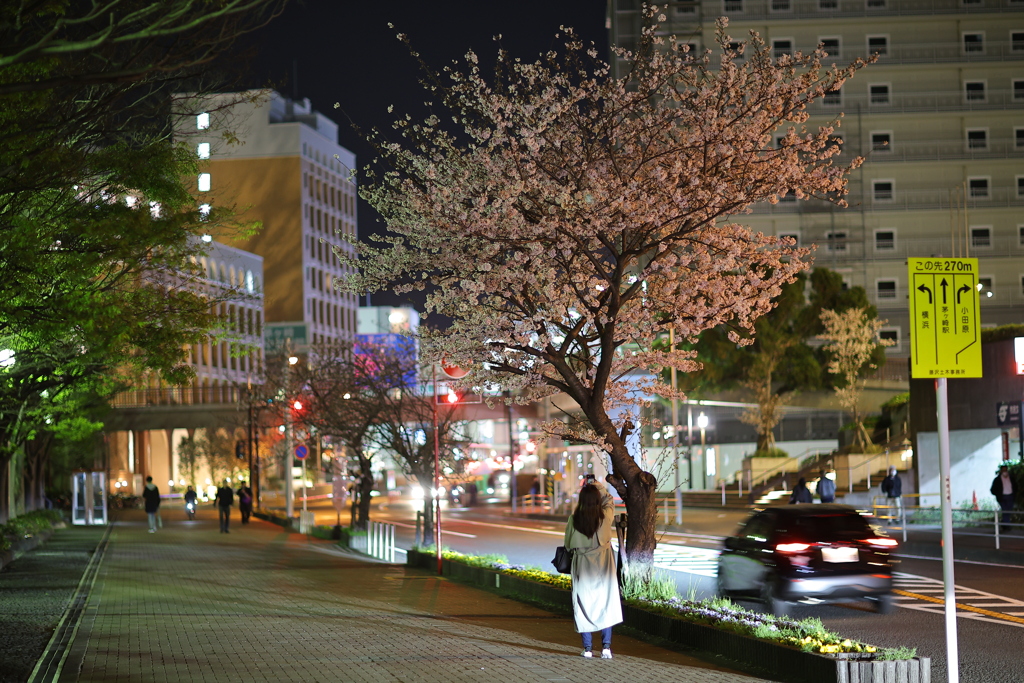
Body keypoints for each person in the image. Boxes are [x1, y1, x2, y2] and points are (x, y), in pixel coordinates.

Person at [563, 480, 622, 659]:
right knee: (606, 604)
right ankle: (606, 648)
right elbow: (609, 500)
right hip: (603, 565)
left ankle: (587, 649)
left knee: (583, 605)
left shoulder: (574, 519)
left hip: (582, 565)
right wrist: (599, 486)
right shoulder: (605, 517)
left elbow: (567, 544)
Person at [990, 465, 1016, 533]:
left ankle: (1005, 524)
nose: (1005, 472)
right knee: (1005, 511)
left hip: (1010, 496)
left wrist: (1014, 494)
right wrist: (998, 494)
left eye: (1006, 470)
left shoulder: (1011, 478)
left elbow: (1015, 487)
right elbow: (993, 490)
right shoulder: (997, 479)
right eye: (1004, 470)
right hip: (1002, 497)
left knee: (1008, 511)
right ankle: (1007, 525)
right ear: (1001, 471)